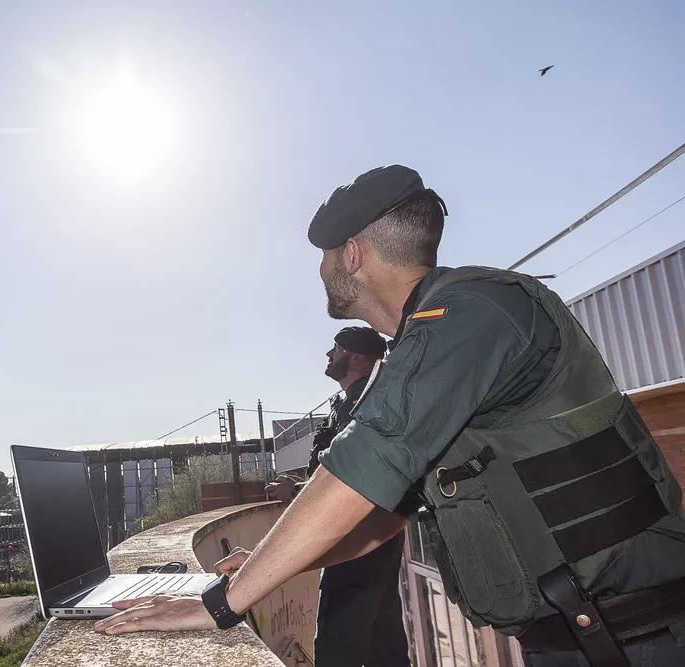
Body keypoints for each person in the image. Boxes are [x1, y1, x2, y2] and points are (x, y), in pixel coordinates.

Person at [94, 165, 685, 667]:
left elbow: (358, 467)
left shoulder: (469, 312)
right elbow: (380, 516)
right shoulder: (434, 340)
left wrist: (219, 606)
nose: (322, 270)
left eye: (325, 256)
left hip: (644, 632)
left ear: (351, 254)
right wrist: (268, 562)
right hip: (584, 635)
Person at [266, 326, 409, 667]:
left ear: (357, 357)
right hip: (373, 536)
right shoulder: (352, 402)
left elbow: (361, 476)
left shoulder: (365, 404)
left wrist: (296, 492)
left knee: (339, 643)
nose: (329, 356)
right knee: (382, 637)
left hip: (355, 537)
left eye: (336, 349)